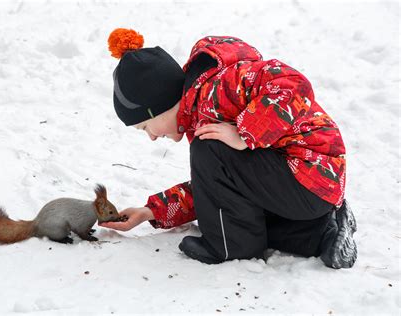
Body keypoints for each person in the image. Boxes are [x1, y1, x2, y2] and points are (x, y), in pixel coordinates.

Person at [100, 28, 357, 269]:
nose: (152, 138)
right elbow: (215, 189)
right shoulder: (200, 111)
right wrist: (151, 212)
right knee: (248, 216)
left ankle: (230, 246)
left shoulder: (220, 88)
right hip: (307, 191)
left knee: (208, 149)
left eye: (145, 127)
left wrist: (246, 134)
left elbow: (292, 84)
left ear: (158, 105)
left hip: (310, 175)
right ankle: (324, 234)